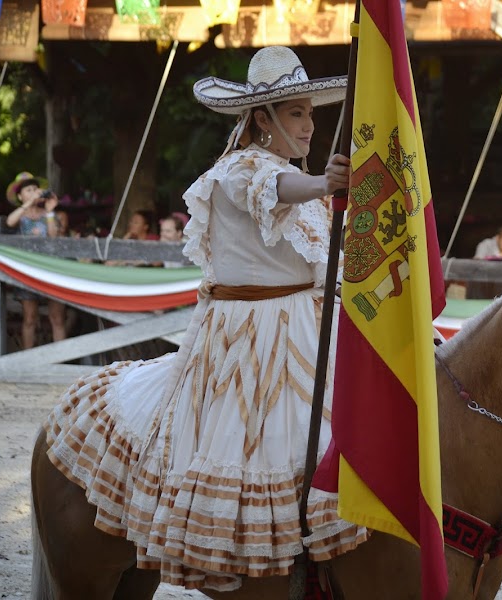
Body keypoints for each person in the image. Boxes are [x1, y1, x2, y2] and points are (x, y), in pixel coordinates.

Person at [41, 46, 366, 592]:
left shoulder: (291, 174)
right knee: (254, 446)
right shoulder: (240, 171)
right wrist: (326, 185)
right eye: (295, 114)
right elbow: (283, 190)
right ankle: (235, 565)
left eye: (310, 113)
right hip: (250, 336)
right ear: (262, 118)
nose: (309, 125)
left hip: (308, 325)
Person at [4, 172, 67, 350]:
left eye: (35, 189)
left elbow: (54, 236)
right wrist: (28, 204)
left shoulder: (49, 214)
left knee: (57, 317)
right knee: (30, 317)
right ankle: (27, 361)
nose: (33, 192)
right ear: (20, 196)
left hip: (50, 271)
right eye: (28, 190)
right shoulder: (20, 216)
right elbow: (10, 222)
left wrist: (49, 211)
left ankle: (61, 360)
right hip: (27, 272)